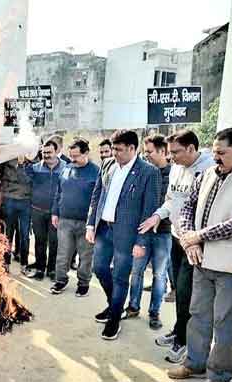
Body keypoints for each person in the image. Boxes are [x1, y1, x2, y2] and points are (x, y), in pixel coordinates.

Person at [168, 127, 232, 381]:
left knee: (225, 325)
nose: (216, 158)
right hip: (201, 261)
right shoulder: (206, 174)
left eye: (222, 153)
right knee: (198, 316)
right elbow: (186, 208)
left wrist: (199, 236)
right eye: (214, 152)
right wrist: (189, 240)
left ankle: (219, 374)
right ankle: (194, 363)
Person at [141, 130, 215, 363]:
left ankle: (186, 342)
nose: (171, 157)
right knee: (182, 294)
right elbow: (171, 200)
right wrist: (157, 215)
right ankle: (178, 331)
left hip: (195, 243)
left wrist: (194, 238)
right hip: (176, 237)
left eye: (176, 152)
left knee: (187, 294)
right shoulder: (176, 167)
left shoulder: (209, 169)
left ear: (192, 149)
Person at [86, 130, 160, 340]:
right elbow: (97, 195)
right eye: (114, 149)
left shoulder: (148, 172)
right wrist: (91, 224)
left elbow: (149, 210)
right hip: (104, 229)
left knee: (120, 277)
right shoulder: (108, 165)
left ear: (131, 148)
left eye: (118, 149)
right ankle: (115, 306)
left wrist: (141, 242)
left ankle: (114, 319)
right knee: (98, 268)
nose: (114, 153)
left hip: (128, 235)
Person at [123, 134, 171, 330]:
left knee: (160, 275)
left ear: (162, 151)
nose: (146, 155)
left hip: (164, 232)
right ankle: (133, 306)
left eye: (150, 152)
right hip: (142, 231)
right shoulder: (142, 172)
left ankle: (154, 312)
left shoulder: (174, 174)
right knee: (136, 271)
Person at [50, 138, 100, 296]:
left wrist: (93, 223)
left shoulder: (96, 172)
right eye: (71, 155)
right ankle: (60, 280)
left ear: (86, 153)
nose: (73, 159)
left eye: (76, 156)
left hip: (86, 223)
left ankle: (83, 283)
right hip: (64, 220)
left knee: (85, 256)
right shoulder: (66, 168)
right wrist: (55, 212)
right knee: (63, 253)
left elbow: (99, 199)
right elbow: (59, 192)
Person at [24, 140, 66, 280]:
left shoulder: (66, 168)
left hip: (56, 213)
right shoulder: (35, 168)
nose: (46, 155)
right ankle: (40, 268)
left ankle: (52, 270)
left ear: (56, 151)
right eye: (44, 152)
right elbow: (24, 179)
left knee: (54, 242)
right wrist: (23, 162)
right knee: (40, 241)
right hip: (37, 211)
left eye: (49, 152)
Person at [0, 156, 33, 274]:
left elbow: (27, 180)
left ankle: (24, 264)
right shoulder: (7, 161)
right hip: (9, 201)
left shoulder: (32, 162)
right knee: (8, 234)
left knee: (24, 235)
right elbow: (2, 178)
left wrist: (22, 165)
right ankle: (6, 264)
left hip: (25, 202)